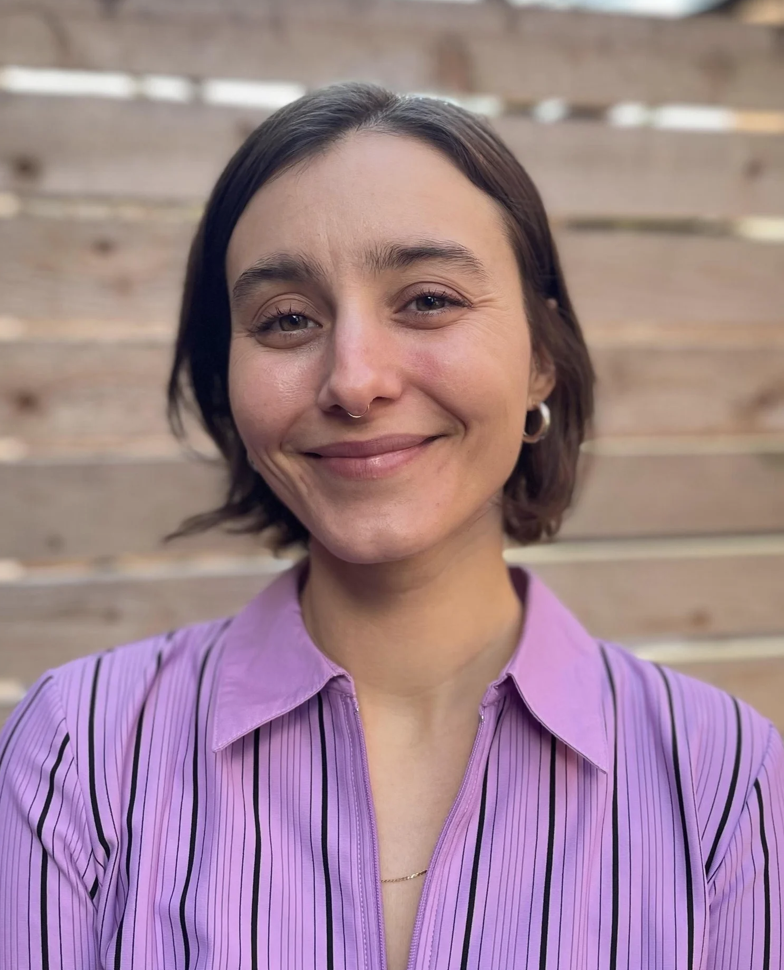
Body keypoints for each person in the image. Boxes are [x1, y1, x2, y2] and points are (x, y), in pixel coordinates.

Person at [1, 81, 782, 970]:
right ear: (228, 383)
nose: (355, 379)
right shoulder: (79, 754)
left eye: (429, 300)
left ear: (542, 359)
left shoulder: (724, 780)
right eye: (287, 319)